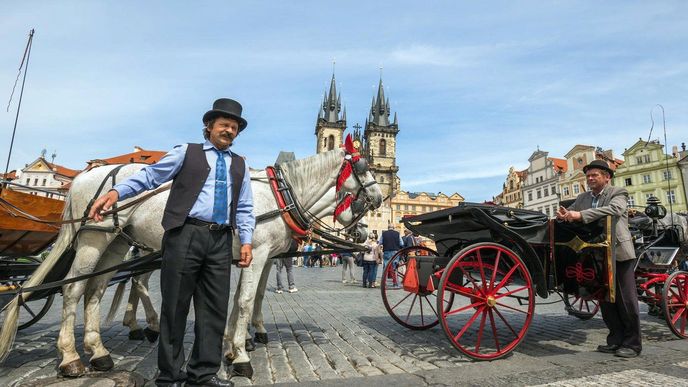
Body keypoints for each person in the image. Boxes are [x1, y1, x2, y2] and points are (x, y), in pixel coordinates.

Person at [89, 98, 255, 387]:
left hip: (220, 239)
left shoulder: (240, 165)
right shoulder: (186, 152)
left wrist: (246, 241)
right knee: (175, 307)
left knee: (214, 310)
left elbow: (244, 207)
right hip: (185, 234)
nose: (229, 130)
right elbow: (151, 176)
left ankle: (203, 374)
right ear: (210, 127)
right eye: (224, 124)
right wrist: (117, 193)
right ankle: (169, 376)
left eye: (234, 127)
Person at [556, 160, 641, 358]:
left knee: (626, 299)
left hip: (618, 252)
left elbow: (615, 210)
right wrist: (564, 215)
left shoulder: (618, 193)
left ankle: (632, 344)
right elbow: (573, 214)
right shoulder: (583, 197)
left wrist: (580, 214)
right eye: (588, 176)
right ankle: (615, 340)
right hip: (595, 255)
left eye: (595, 175)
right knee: (604, 299)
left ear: (607, 177)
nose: (590, 178)